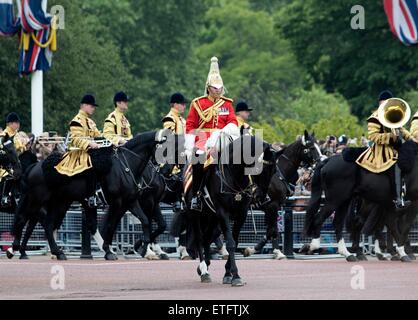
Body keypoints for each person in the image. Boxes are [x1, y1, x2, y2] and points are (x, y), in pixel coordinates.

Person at [185, 57, 239, 211]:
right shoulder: (198, 103)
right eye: (215, 87)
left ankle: (245, 193)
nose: (218, 90)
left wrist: (223, 134)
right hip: (202, 139)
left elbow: (233, 122)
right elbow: (190, 125)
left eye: (220, 87)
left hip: (223, 138)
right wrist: (192, 144)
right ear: (208, 87)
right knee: (198, 160)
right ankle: (196, 195)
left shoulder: (227, 104)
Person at [356, 90, 412, 208]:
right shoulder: (374, 118)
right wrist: (391, 137)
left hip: (393, 148)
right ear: (380, 103)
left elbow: (402, 130)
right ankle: (398, 199)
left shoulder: (392, 113)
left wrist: (413, 139)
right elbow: (373, 136)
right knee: (397, 164)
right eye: (384, 102)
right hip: (380, 151)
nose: (386, 104)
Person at [55, 94, 102, 177]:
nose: (93, 108)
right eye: (92, 106)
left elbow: (98, 135)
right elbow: (76, 139)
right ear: (84, 105)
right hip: (79, 154)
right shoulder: (76, 121)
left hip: (92, 152)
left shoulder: (91, 122)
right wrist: (90, 143)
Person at [0, 113, 24, 207]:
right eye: (16, 123)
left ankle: (19, 194)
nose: (18, 125)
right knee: (9, 174)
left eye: (18, 123)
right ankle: (5, 197)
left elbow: (20, 148)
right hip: (4, 163)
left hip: (16, 161)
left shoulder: (17, 135)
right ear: (10, 124)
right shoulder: (3, 135)